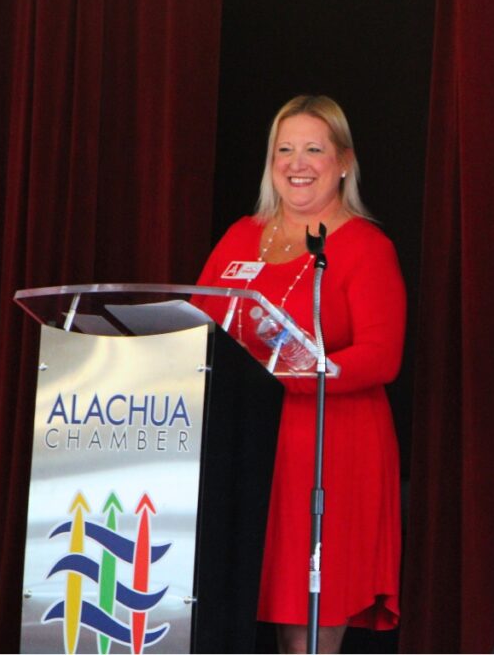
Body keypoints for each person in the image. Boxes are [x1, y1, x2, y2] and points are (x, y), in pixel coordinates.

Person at [195, 95, 406, 653]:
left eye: (314, 149)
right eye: (284, 149)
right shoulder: (242, 235)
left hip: (327, 450)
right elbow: (198, 325)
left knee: (305, 611)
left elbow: (383, 356)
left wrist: (298, 369)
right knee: (235, 592)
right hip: (243, 446)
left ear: (344, 162)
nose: (297, 163)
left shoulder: (365, 247)